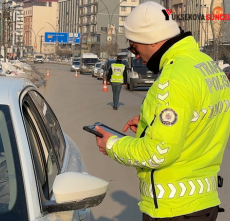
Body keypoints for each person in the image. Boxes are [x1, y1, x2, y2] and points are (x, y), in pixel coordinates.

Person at [94, 1, 230, 221]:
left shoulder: (174, 77)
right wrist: (154, 124)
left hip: (174, 209)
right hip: (203, 202)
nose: (135, 55)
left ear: (152, 40)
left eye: (133, 46)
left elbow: (158, 152)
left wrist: (112, 144)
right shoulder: (206, 65)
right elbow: (202, 119)